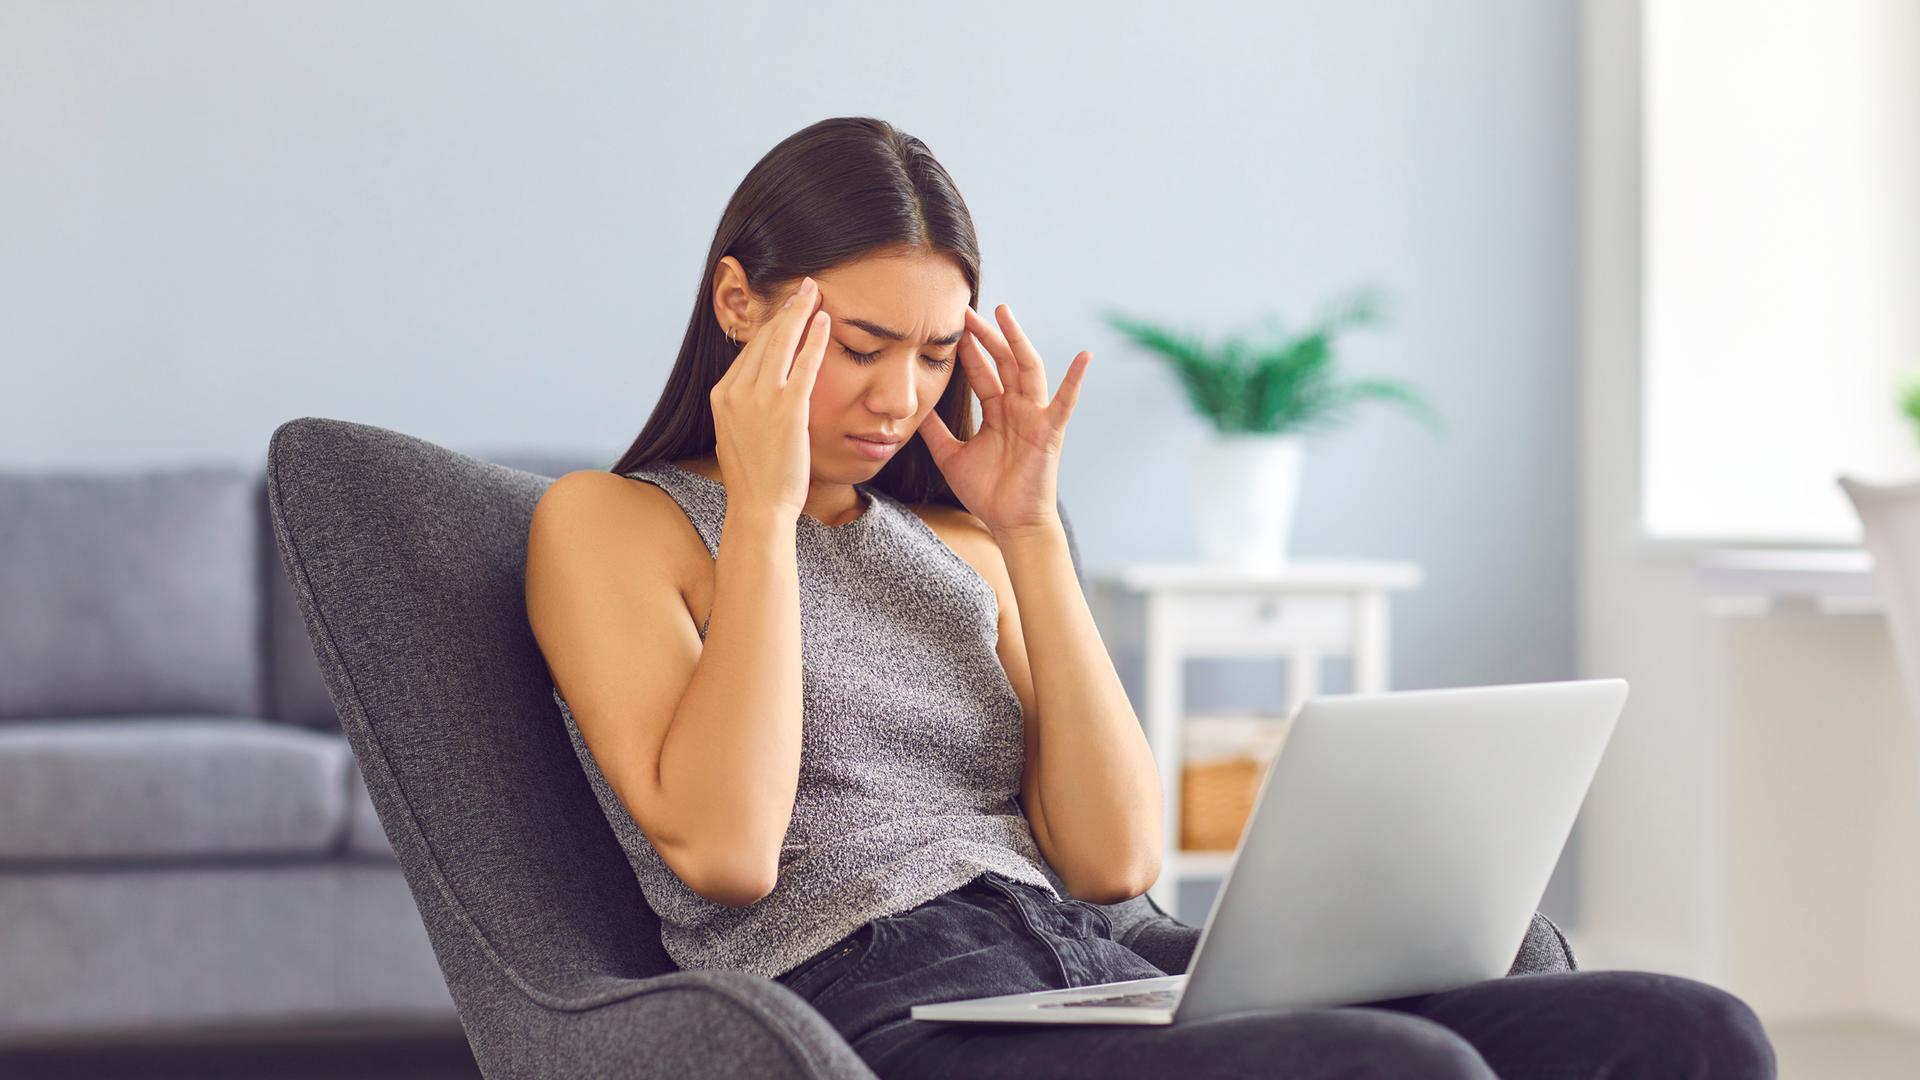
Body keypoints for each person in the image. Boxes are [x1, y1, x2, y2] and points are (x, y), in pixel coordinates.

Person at [524, 116, 1776, 1079]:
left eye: (936, 350)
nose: (899, 397)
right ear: (740, 302)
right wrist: (761, 510)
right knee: (1406, 1069)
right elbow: (730, 853)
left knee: (1694, 1029)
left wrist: (1030, 538)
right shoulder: (617, 524)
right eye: (858, 347)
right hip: (882, 1003)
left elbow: (1115, 858)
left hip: (1083, 966)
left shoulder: (964, 540)